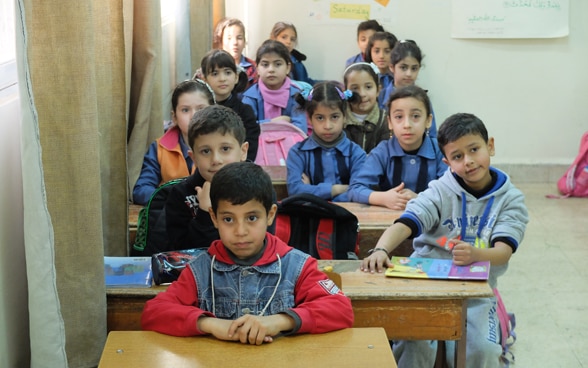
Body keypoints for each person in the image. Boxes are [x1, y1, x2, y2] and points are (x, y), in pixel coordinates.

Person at [361, 113, 529, 368]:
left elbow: (504, 252)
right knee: (412, 342)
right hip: (426, 283)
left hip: (477, 289)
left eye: (474, 149)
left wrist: (476, 255)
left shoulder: (511, 199)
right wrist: (381, 249)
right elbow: (407, 222)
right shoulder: (440, 190)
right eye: (458, 156)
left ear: (490, 146)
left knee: (482, 350)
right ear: (447, 161)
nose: (469, 161)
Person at [142, 161, 354, 342]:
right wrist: (211, 324)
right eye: (228, 219)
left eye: (252, 218)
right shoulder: (200, 270)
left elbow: (341, 308)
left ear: (270, 215)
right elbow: (154, 312)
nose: (240, 231)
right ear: (214, 218)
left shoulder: (297, 266)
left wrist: (280, 321)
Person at [164, 105, 249, 251]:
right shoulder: (180, 195)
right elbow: (182, 253)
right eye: (205, 151)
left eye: (225, 149)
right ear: (194, 157)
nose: (216, 159)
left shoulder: (257, 189)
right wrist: (204, 213)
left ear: (243, 151)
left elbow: (260, 244)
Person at [349, 85, 446, 210]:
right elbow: (355, 189)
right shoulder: (382, 152)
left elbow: (451, 191)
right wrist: (383, 198)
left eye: (415, 116)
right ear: (389, 122)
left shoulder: (440, 151)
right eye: (399, 117)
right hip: (388, 223)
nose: (407, 125)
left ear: (428, 120)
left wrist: (421, 199)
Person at [132, 79, 215, 205]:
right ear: (174, 117)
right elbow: (141, 190)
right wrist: (175, 200)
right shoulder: (159, 148)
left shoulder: (223, 147)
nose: (194, 116)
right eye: (185, 110)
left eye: (201, 109)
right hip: (172, 216)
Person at [287, 81, 366, 202]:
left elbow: (359, 191)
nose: (327, 126)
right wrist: (336, 189)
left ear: (344, 116)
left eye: (334, 117)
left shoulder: (356, 154)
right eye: (320, 118)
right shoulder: (297, 153)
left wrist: (310, 191)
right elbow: (295, 190)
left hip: (346, 218)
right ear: (309, 119)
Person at [200, 48, 260, 161]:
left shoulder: (245, 111)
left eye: (227, 72)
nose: (222, 79)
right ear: (205, 80)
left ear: (236, 77)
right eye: (215, 74)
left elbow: (250, 149)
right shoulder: (201, 111)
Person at [242, 39, 308, 133]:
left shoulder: (296, 95)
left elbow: (300, 129)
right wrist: (275, 122)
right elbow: (246, 128)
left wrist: (263, 125)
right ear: (257, 69)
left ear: (288, 68)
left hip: (290, 145)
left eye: (278, 64)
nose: (271, 69)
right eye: (265, 65)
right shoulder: (250, 96)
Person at [380, 39, 438, 137]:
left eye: (414, 68)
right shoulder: (381, 97)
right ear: (391, 67)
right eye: (403, 67)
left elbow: (432, 134)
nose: (409, 74)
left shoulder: (423, 99)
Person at [342, 62, 389, 154]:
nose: (362, 94)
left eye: (368, 87)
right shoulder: (339, 119)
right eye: (355, 88)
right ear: (345, 92)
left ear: (378, 90)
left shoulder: (386, 120)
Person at [213, 17, 257, 89]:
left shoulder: (254, 68)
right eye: (229, 38)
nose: (235, 43)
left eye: (239, 38)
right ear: (221, 41)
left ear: (244, 42)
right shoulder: (211, 67)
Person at [269, 21, 317, 86]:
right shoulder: (267, 61)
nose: (288, 42)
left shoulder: (297, 61)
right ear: (273, 38)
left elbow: (305, 82)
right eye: (284, 37)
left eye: (292, 39)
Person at [364, 31, 398, 109]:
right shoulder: (366, 76)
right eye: (377, 51)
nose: (381, 56)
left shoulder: (398, 76)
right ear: (370, 52)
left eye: (387, 51)